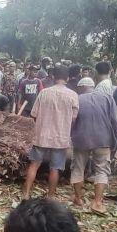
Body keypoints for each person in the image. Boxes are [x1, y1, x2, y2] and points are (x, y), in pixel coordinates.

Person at [22, 64, 79, 199]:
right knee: (55, 168)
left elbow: (34, 114)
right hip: (60, 138)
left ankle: (26, 193)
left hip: (42, 135)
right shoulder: (73, 95)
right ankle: (50, 197)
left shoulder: (44, 93)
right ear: (68, 78)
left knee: (34, 165)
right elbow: (74, 117)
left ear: (53, 76)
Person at [71, 77, 117, 212]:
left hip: (81, 139)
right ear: (93, 86)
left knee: (78, 167)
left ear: (81, 88)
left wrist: (72, 134)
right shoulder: (108, 98)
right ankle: (97, 202)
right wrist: (114, 138)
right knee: (102, 169)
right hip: (103, 139)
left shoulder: (78, 99)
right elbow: (115, 120)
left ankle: (78, 198)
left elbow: (72, 120)